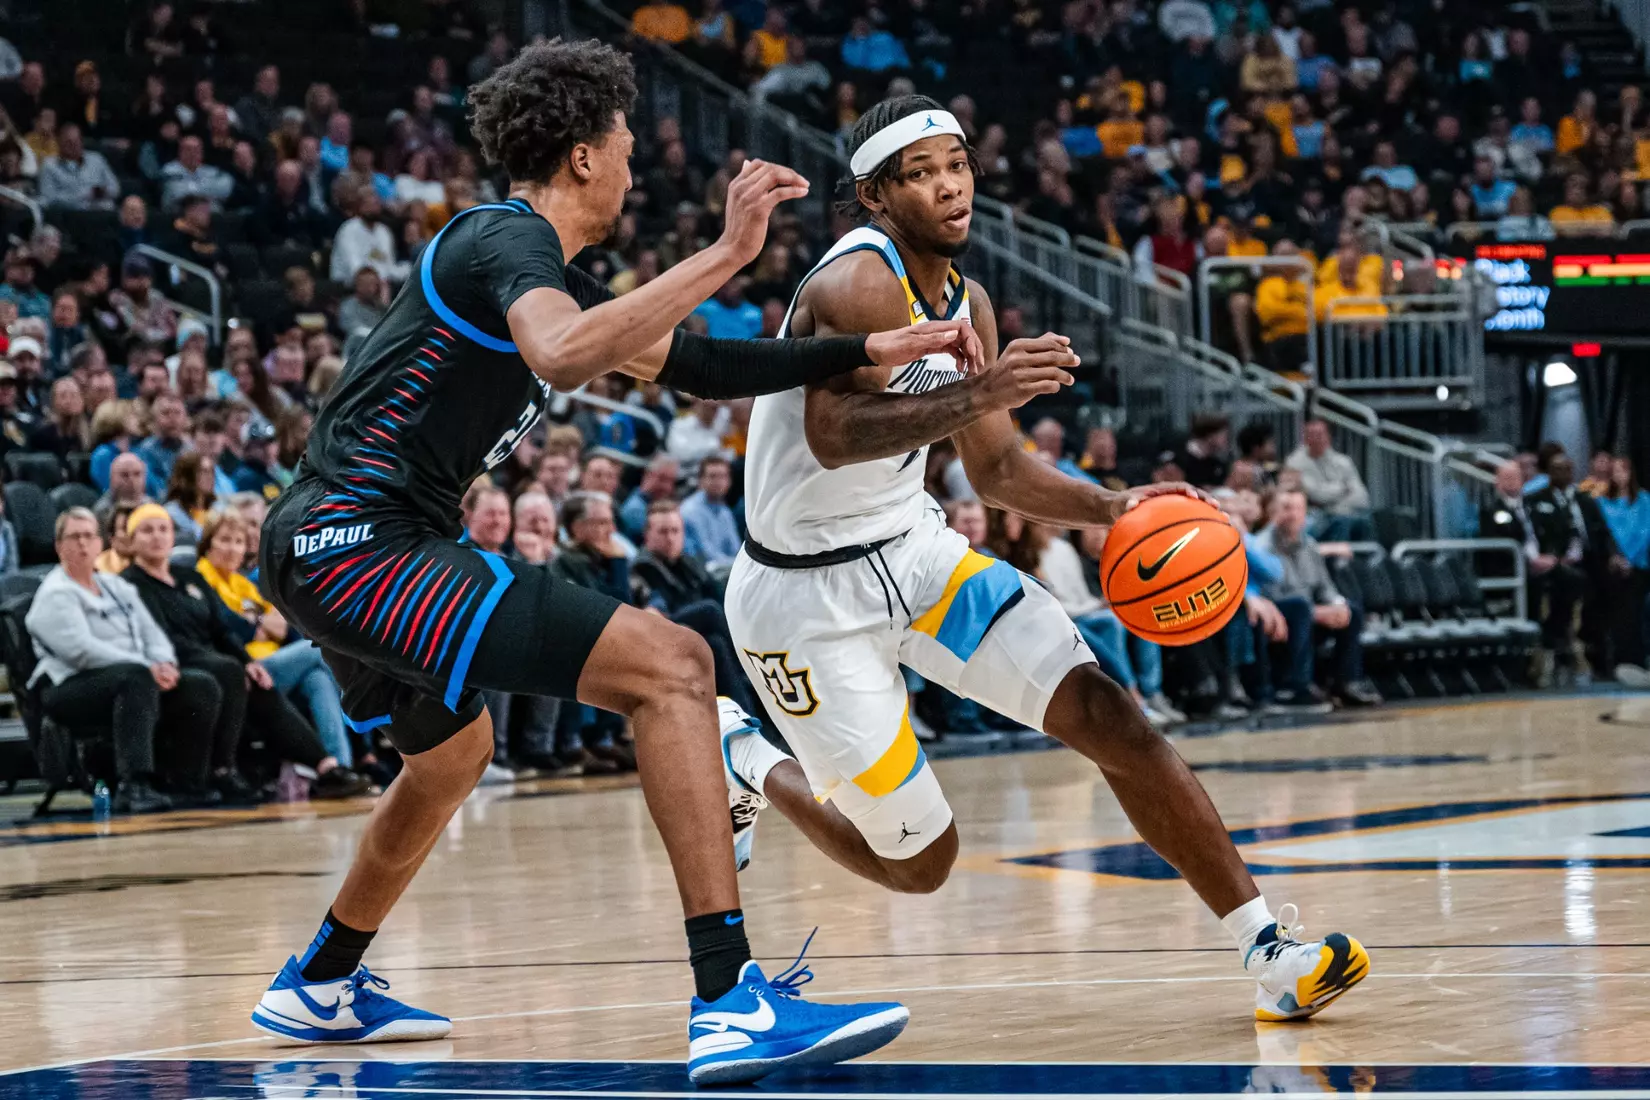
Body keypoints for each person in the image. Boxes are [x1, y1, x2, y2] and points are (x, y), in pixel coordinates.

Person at [249, 41, 977, 1080]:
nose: (635, 167)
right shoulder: (503, 239)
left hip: (332, 544)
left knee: (451, 757)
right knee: (673, 665)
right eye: (626, 145)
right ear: (585, 156)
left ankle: (319, 981)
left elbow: (697, 363)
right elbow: (559, 353)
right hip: (361, 541)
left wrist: (863, 350)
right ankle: (728, 998)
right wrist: (727, 251)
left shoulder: (540, 271)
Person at [721, 94, 1367, 1030]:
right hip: (801, 598)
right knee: (920, 863)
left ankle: (1268, 951)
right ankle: (745, 759)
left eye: (957, 164)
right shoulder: (858, 282)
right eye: (921, 174)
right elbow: (834, 435)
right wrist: (982, 387)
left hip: (915, 551)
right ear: (875, 196)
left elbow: (995, 470)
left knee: (1111, 714)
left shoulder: (968, 300)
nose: (950, 186)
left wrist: (1111, 507)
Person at [122, 504, 369, 804]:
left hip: (216, 658)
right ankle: (224, 769)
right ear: (131, 540)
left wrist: (248, 662)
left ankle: (328, 767)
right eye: (147, 531)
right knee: (307, 654)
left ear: (173, 536)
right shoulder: (130, 583)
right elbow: (160, 636)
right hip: (177, 661)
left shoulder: (188, 578)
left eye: (163, 529)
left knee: (287, 679)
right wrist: (245, 650)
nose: (157, 536)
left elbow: (223, 629)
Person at [26, 508, 223, 813]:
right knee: (134, 678)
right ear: (59, 546)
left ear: (100, 543)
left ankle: (187, 782)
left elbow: (153, 633)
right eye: (74, 537)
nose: (82, 543)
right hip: (66, 686)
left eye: (89, 536)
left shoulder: (116, 587)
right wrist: (146, 667)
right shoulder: (55, 593)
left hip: (129, 676)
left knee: (200, 685)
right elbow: (81, 650)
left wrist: (164, 663)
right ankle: (134, 785)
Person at [196, 509, 355, 769]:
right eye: (224, 540)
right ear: (207, 544)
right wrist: (259, 624)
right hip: (243, 669)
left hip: (273, 663)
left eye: (238, 541)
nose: (232, 548)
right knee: (319, 650)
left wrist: (256, 623)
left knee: (318, 679)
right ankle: (365, 710)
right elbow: (234, 629)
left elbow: (281, 628)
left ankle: (339, 768)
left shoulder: (243, 585)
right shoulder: (200, 579)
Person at [630, 499, 762, 721]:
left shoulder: (688, 563)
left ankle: (746, 719)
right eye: (663, 532)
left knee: (716, 644)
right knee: (709, 610)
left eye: (675, 531)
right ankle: (750, 669)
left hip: (697, 636)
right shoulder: (642, 567)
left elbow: (719, 595)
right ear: (647, 535)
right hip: (664, 633)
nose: (670, 538)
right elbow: (654, 612)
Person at [1252, 489, 1382, 708]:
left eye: (1298, 509)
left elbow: (1325, 587)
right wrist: (1316, 612)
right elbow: (1268, 594)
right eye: (1287, 508)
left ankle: (1347, 683)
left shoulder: (1310, 545)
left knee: (1351, 611)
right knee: (1300, 608)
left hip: (1307, 613)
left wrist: (1337, 604)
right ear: (1274, 512)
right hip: (1278, 615)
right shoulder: (1262, 546)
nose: (1293, 514)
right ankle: (1297, 687)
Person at [1526, 453, 1627, 680]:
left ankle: (1605, 657)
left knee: (1615, 582)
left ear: (1572, 472)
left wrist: (1615, 555)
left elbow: (1603, 532)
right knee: (1568, 584)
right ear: (1549, 473)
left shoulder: (1585, 500)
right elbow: (1532, 536)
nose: (1561, 474)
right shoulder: (1536, 499)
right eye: (1556, 469)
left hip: (1589, 561)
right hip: (1553, 564)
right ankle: (1559, 643)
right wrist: (1551, 558)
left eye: (1566, 469)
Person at [1285, 419, 1373, 540]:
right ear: (1305, 438)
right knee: (1342, 522)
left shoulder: (1343, 461)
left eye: (1320, 434)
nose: (1316, 438)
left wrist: (1335, 506)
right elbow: (1317, 495)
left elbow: (1362, 497)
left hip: (1344, 512)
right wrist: (1344, 489)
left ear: (1328, 437)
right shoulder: (1295, 463)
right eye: (1311, 434)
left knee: (1366, 519)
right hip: (1314, 516)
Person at [37, 122, 120, 210]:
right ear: (59, 142)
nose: (74, 146)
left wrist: (102, 192)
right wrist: (84, 194)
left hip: (102, 210)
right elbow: (48, 199)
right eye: (69, 142)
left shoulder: (97, 159)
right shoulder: (49, 166)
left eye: (77, 141)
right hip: (71, 213)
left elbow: (115, 188)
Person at [678, 454, 740, 568]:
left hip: (725, 569)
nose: (718, 481)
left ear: (729, 481)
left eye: (723, 476)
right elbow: (707, 555)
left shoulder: (725, 511)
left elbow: (736, 550)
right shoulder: (690, 511)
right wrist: (737, 565)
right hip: (701, 571)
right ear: (700, 480)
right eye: (712, 476)